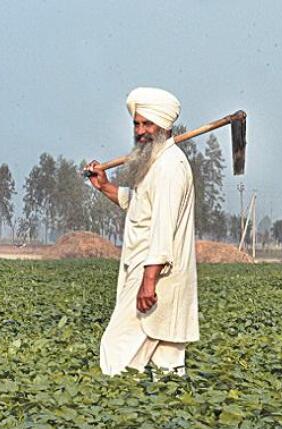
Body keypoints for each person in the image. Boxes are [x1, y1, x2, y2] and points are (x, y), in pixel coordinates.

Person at [84, 87, 199, 376]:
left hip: (155, 272)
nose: (140, 131)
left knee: (116, 350)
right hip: (154, 271)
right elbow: (139, 205)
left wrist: (148, 283)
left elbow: (162, 228)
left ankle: (109, 413)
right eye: (137, 124)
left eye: (148, 124)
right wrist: (105, 186)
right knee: (167, 368)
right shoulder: (154, 162)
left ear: (166, 125)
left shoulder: (170, 168)